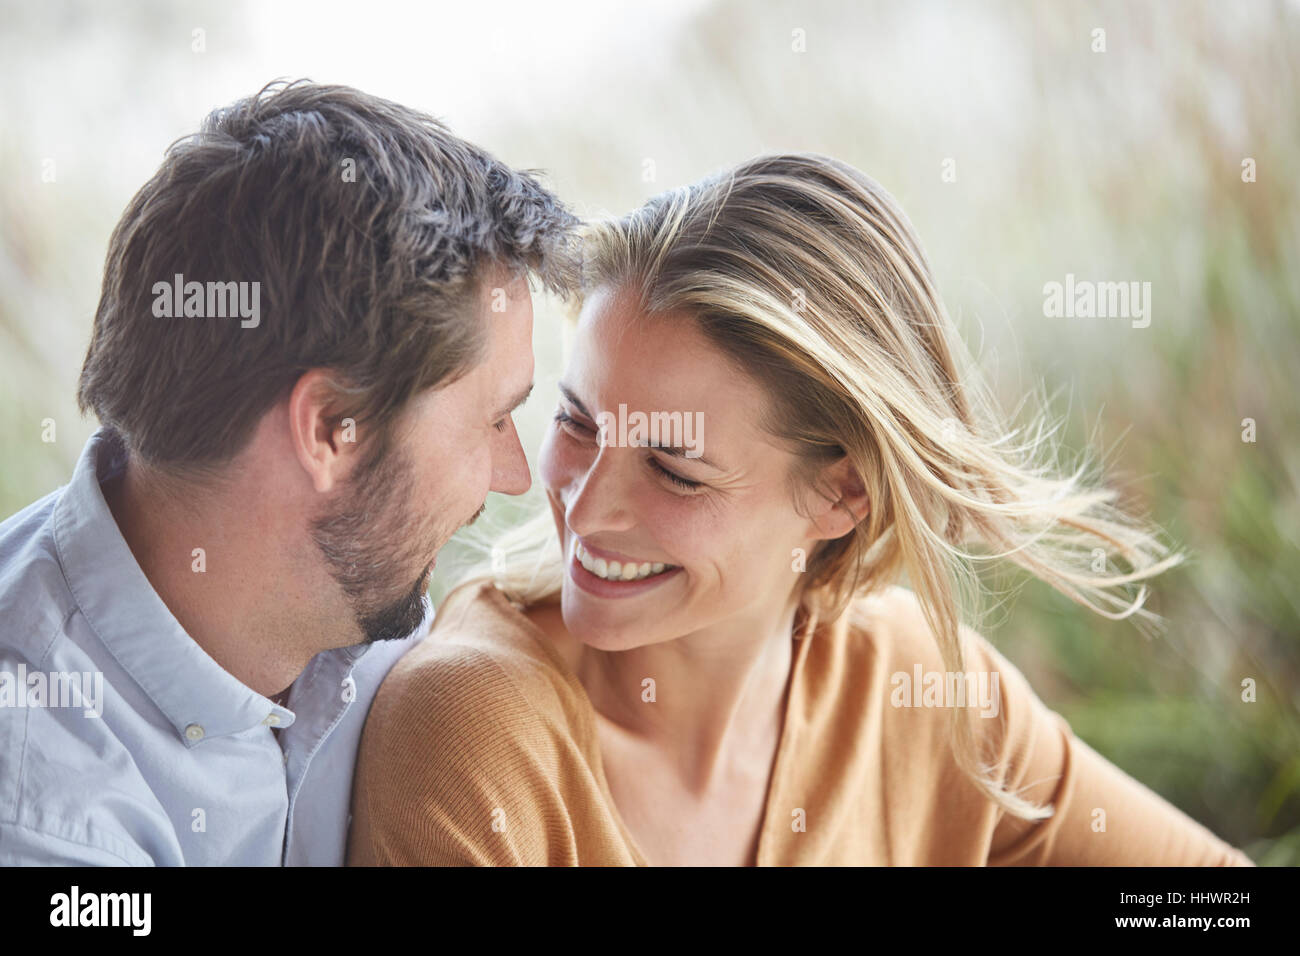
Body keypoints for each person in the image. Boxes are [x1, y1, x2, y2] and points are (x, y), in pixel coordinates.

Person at [347, 153, 1254, 866]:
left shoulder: (910, 686)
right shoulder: (471, 730)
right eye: (579, 422)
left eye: (675, 471)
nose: (584, 510)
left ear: (843, 492)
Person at [0, 79, 576, 865]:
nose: (513, 475)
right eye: (492, 419)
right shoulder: (43, 807)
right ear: (329, 430)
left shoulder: (358, 594)